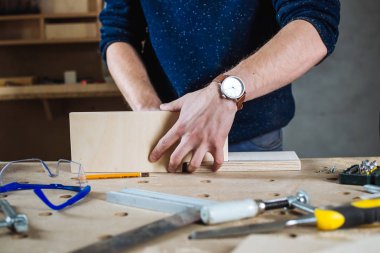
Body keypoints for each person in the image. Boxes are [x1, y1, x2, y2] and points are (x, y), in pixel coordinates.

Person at [99, 0, 340, 173]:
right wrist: (147, 111)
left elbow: (315, 23)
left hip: (250, 139)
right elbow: (117, 31)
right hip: (166, 135)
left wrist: (226, 92)